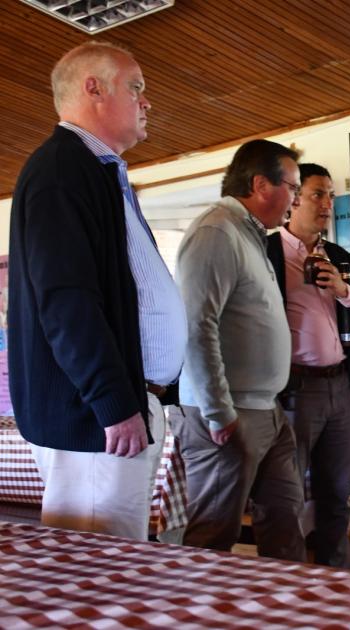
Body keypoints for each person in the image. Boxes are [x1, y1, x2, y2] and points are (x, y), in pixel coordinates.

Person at [8, 42, 186, 540]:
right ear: (94, 88)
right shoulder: (63, 171)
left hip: (119, 408)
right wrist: (112, 402)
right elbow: (67, 303)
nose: (147, 102)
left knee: (114, 564)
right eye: (137, 88)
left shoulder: (95, 171)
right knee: (91, 573)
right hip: (94, 421)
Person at [172, 139, 306, 561]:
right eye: (293, 186)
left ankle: (286, 615)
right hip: (227, 415)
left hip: (266, 409)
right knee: (213, 537)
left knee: (285, 525)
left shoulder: (251, 235)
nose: (297, 198)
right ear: (261, 184)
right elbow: (197, 326)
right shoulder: (216, 232)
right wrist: (218, 411)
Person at [266, 163, 350, 566]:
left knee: (337, 492)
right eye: (319, 194)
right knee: (285, 493)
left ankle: (336, 579)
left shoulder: (338, 256)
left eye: (331, 195)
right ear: (294, 198)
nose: (328, 204)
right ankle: (287, 582)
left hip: (339, 386)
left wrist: (345, 291)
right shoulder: (268, 252)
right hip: (292, 389)